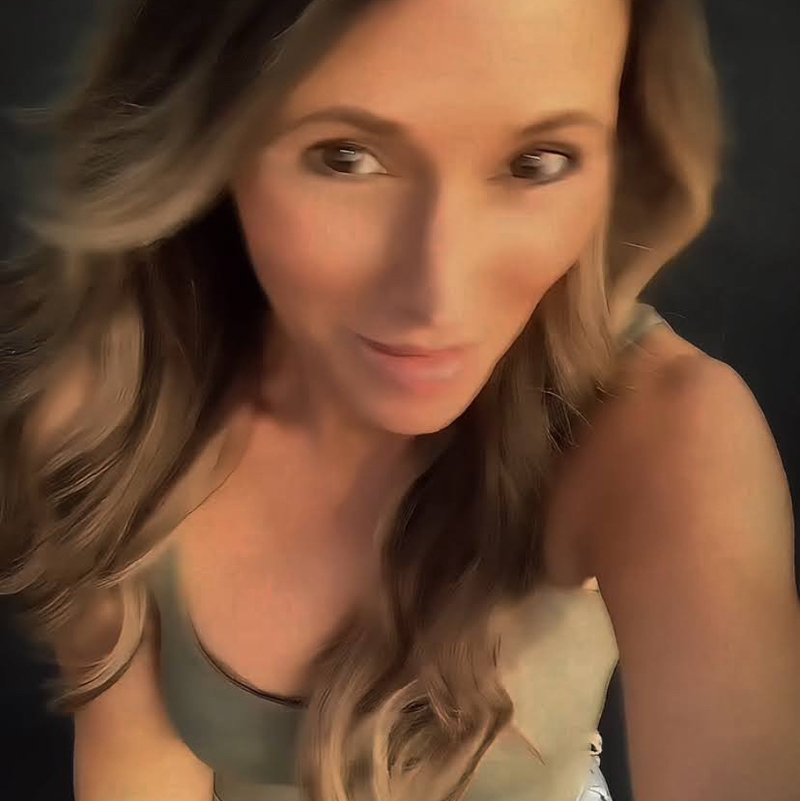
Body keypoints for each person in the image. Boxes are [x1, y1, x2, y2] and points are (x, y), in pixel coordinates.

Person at [1, 0, 798, 800]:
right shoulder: (110, 414)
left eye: (537, 162)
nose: (438, 297)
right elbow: (138, 765)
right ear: (209, 130)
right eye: (345, 157)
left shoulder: (664, 432)